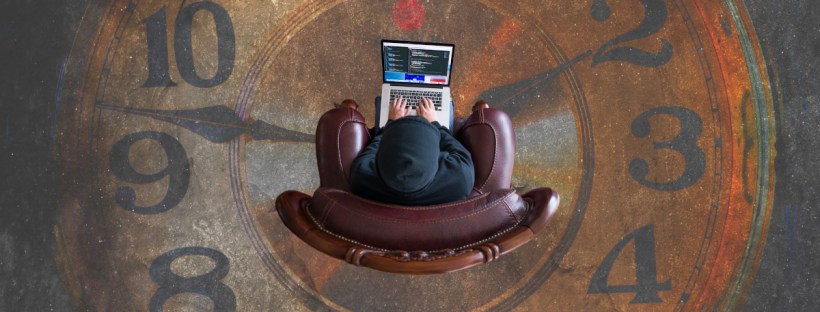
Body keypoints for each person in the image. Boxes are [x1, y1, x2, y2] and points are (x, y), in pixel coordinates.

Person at [348, 96, 475, 205]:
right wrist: (435, 123)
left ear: (380, 158)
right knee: (449, 104)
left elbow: (373, 148)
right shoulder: (461, 179)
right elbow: (457, 149)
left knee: (381, 102)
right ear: (436, 156)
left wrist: (391, 123)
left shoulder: (360, 176)